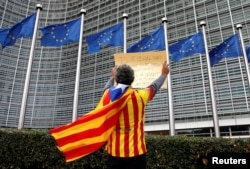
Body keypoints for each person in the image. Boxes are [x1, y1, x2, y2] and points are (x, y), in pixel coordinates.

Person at [96, 61, 169, 169]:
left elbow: (106, 89)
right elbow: (155, 86)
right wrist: (164, 74)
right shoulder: (140, 96)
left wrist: (112, 78)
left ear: (117, 79)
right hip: (137, 153)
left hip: (115, 153)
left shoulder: (108, 97)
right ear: (132, 79)